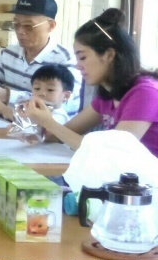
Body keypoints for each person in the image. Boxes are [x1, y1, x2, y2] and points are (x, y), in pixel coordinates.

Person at [24, 9, 158, 155]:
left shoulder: (145, 93)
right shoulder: (107, 95)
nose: (77, 65)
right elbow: (59, 135)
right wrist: (34, 122)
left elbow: (113, 153)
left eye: (82, 58)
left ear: (109, 55)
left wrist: (49, 122)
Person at [0, 0, 82, 117]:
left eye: (29, 26)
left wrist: (8, 96)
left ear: (51, 26)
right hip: (5, 127)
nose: (20, 31)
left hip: (43, 133)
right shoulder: (10, 53)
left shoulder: (66, 60)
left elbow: (65, 105)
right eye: (16, 25)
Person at [0, 63, 75, 126]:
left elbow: (37, 128)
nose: (42, 93)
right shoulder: (32, 108)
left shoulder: (59, 116)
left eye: (50, 90)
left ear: (66, 96)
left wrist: (2, 109)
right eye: (37, 88)